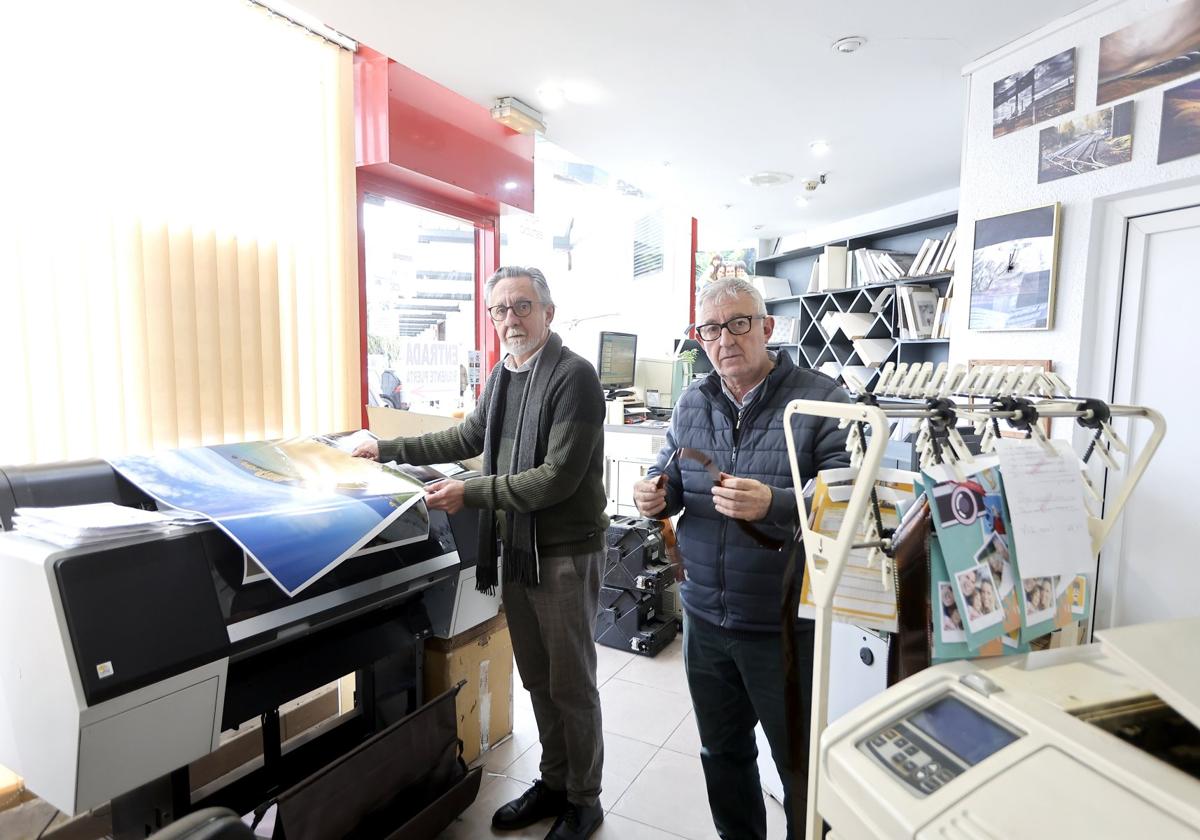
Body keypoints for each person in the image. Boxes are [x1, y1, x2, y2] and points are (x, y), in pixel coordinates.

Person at [353, 266, 607, 840]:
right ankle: (554, 781)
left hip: (564, 552)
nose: (510, 319)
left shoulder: (575, 377)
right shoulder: (503, 375)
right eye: (499, 310)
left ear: (548, 311)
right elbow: (467, 438)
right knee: (539, 679)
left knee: (572, 683)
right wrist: (386, 447)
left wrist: (469, 492)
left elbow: (555, 480)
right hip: (517, 550)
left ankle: (584, 800)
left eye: (522, 306)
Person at [631, 277, 850, 840]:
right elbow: (671, 476)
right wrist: (654, 493)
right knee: (721, 753)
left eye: (738, 323)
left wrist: (774, 503)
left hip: (784, 625)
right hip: (704, 617)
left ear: (766, 328)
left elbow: (850, 505)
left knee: (798, 764)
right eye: (710, 328)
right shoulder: (692, 401)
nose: (724, 339)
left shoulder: (820, 398)